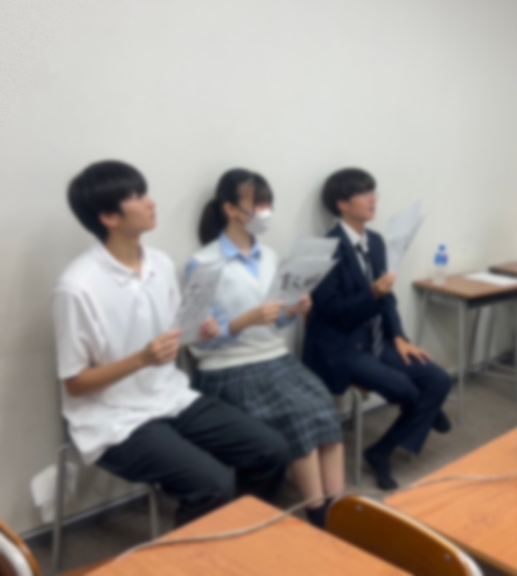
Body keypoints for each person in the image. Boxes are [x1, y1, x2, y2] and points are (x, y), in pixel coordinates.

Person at [52, 161, 289, 526]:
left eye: (145, 192)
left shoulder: (159, 264)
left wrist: (200, 329)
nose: (150, 202)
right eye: (136, 197)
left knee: (272, 450)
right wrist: (141, 359)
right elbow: (75, 384)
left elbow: (178, 331)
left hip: (170, 397)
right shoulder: (77, 287)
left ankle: (238, 537)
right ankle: (197, 553)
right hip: (114, 419)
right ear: (109, 217)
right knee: (213, 485)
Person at [187, 169, 344, 528]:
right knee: (298, 416)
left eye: (268, 204)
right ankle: (319, 516)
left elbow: (275, 320)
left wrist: (292, 310)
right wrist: (244, 320)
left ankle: (342, 511)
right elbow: (197, 336)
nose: (265, 212)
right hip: (228, 368)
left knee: (324, 408)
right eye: (257, 204)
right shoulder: (204, 262)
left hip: (275, 358)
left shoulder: (270, 256)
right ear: (230, 209)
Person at [304, 167, 452, 490]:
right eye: (364, 193)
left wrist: (399, 336)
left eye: (374, 191)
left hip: (376, 338)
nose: (373, 199)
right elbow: (333, 312)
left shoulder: (376, 241)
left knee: (439, 379)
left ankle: (380, 451)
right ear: (342, 203)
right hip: (341, 344)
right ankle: (427, 410)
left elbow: (388, 298)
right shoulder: (323, 249)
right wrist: (371, 294)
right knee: (407, 389)